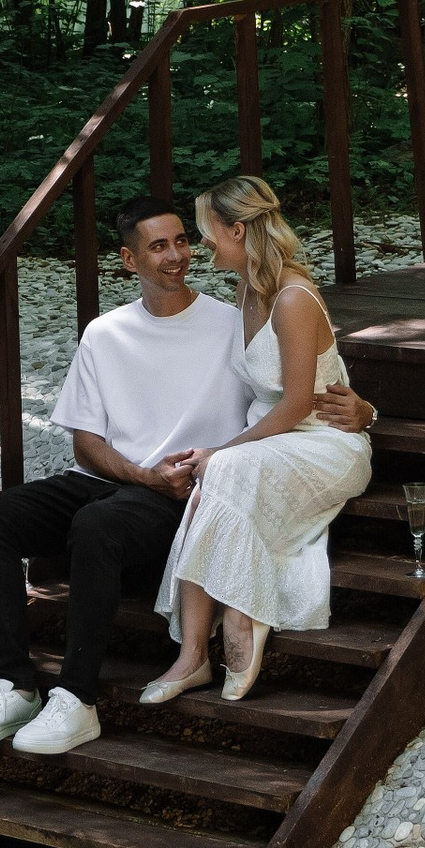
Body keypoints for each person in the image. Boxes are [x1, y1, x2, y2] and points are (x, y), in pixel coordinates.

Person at [0, 196, 372, 761]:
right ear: (128, 260)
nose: (176, 256)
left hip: (187, 490)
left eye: (182, 241)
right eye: (158, 246)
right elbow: (86, 442)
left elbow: (296, 390)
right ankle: (14, 686)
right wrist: (142, 475)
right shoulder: (105, 332)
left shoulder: (235, 321)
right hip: (126, 481)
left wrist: (365, 412)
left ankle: (76, 698)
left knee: (98, 526)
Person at [143, 173, 372, 711]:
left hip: (322, 441)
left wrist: (222, 450)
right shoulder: (247, 288)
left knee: (218, 469)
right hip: (274, 441)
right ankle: (195, 655)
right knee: (214, 478)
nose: (201, 245)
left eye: (206, 232)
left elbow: (297, 403)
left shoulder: (293, 297)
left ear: (238, 231)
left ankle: (240, 618)